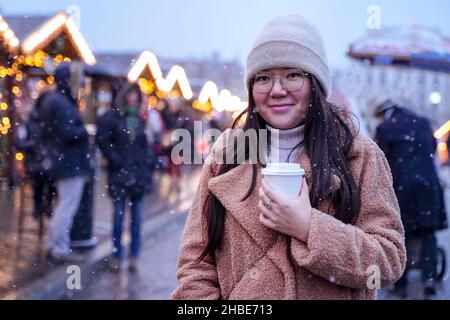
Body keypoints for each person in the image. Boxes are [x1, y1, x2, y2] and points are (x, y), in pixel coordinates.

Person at [172, 15, 406, 300]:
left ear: (316, 83)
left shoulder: (359, 155)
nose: (277, 89)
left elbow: (387, 262)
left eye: (292, 74)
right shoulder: (227, 152)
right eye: (263, 77)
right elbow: (195, 264)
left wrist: (310, 227)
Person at [373, 98, 448, 298]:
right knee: (428, 232)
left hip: (402, 188)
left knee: (402, 232)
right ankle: (429, 278)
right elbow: (431, 150)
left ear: (384, 113)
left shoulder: (385, 128)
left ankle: (401, 284)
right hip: (428, 185)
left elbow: (379, 161)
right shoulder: (423, 122)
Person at [96, 83, 156, 272]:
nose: (133, 98)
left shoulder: (139, 119)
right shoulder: (112, 118)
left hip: (137, 176)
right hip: (119, 175)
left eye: (135, 94)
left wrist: (146, 171)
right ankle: (116, 256)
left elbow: (144, 149)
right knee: (118, 217)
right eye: (130, 94)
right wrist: (117, 160)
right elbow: (103, 141)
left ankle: (133, 256)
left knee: (137, 219)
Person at [39, 62, 92, 263]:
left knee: (63, 206)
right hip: (69, 163)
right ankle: (59, 248)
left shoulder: (57, 100)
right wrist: (84, 132)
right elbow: (67, 133)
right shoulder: (62, 102)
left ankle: (56, 245)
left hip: (63, 162)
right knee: (66, 208)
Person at [15, 91, 56, 220]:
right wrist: (33, 145)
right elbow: (19, 142)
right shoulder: (29, 122)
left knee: (52, 176)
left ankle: (47, 206)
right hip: (34, 163)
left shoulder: (52, 121)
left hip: (49, 163)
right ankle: (39, 207)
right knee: (39, 176)